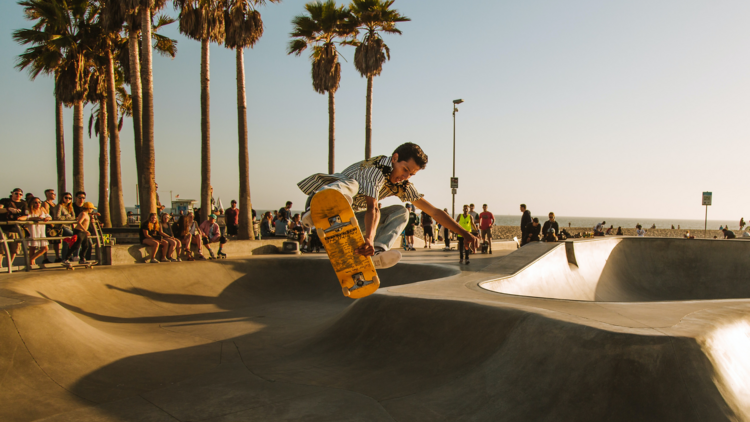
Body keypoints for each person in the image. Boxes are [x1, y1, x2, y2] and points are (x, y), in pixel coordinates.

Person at [297, 142, 479, 268]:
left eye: (411, 175)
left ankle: (376, 253)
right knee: (351, 185)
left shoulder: (402, 185)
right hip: (320, 203)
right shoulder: (376, 169)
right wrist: (368, 236)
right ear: (395, 158)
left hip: (348, 220)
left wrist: (465, 233)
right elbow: (373, 208)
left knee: (402, 212)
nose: (405, 176)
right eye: (405, 169)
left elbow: (434, 212)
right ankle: (317, 212)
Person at [0, 188, 29, 267]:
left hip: (15, 229)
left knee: (14, 249)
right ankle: (0, 265)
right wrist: (8, 209)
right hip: (3, 228)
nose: (18, 195)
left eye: (20, 194)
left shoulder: (23, 203)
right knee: (1, 248)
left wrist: (19, 219)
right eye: (16, 193)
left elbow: (26, 216)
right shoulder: (5, 201)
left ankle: (10, 264)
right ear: (12, 193)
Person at [62, 202, 96, 266]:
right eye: (91, 208)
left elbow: (90, 214)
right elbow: (79, 222)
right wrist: (85, 230)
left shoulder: (87, 214)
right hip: (79, 231)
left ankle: (82, 259)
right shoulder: (83, 214)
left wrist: (95, 214)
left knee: (86, 246)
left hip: (83, 232)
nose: (92, 210)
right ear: (88, 208)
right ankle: (66, 259)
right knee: (76, 246)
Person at [26, 197, 52, 268]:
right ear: (32, 203)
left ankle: (31, 259)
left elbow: (49, 216)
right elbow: (27, 217)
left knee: (45, 248)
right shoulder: (29, 210)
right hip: (33, 229)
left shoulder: (42, 209)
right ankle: (31, 263)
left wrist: (47, 218)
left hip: (41, 229)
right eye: (35, 202)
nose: (38, 204)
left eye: (39, 202)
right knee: (32, 248)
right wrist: (36, 218)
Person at [52, 192, 76, 262]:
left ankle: (65, 258)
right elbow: (57, 217)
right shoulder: (60, 206)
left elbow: (74, 217)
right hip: (62, 227)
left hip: (69, 226)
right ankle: (73, 256)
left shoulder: (70, 207)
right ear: (62, 198)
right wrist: (67, 217)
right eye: (66, 197)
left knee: (66, 243)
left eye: (70, 198)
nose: (68, 199)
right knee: (74, 236)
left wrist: (70, 218)